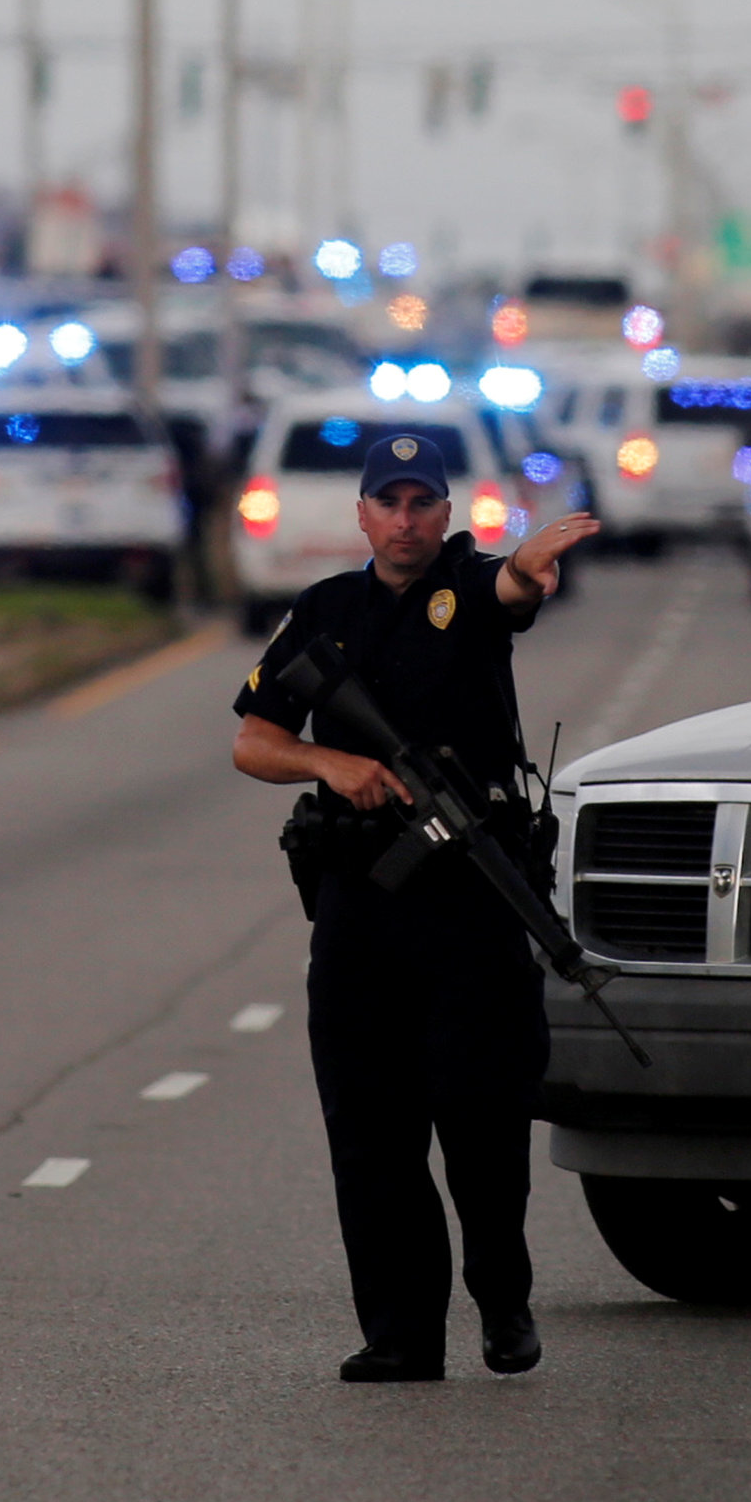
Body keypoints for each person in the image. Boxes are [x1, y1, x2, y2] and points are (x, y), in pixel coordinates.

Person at [232, 430, 602, 1383]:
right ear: (361, 515)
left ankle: (501, 1291)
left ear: (448, 514)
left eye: (422, 504)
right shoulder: (324, 611)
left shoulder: (468, 591)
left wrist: (525, 566)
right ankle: (400, 1333)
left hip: (472, 908)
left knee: (479, 1118)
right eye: (388, 504)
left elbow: (511, 593)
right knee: (369, 1127)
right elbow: (255, 741)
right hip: (361, 907)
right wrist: (332, 764)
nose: (405, 521)